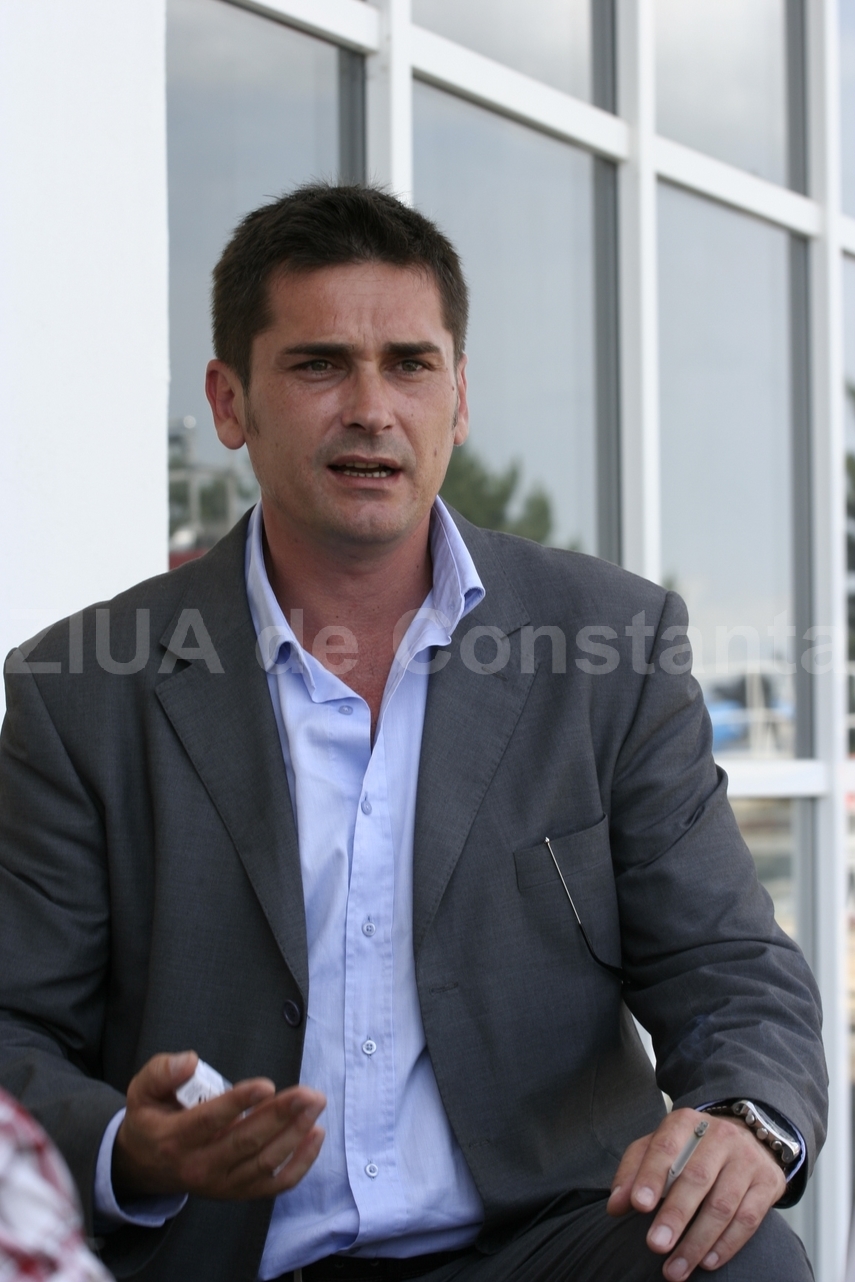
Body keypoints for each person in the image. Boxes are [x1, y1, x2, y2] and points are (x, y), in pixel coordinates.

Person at [0, 183, 825, 1282]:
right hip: (227, 1258)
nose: (371, 408)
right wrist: (128, 1149)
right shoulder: (80, 690)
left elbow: (726, 964)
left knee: (742, 1259)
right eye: (319, 365)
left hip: (541, 1244)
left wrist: (745, 1117)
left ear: (459, 396)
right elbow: (13, 1030)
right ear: (229, 401)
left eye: (409, 364)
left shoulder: (608, 648)